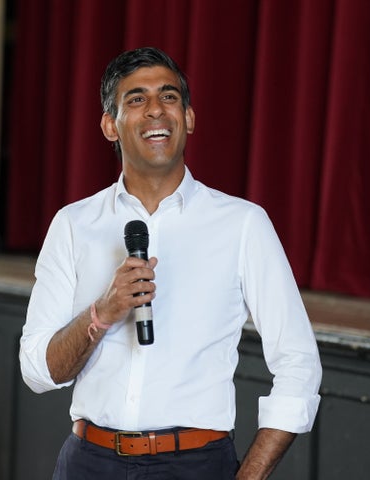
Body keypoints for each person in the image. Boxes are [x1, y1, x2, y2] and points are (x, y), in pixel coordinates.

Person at [19, 47, 322, 479]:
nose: (156, 110)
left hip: (196, 464)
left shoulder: (242, 224)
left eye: (169, 96)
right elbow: (37, 371)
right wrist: (102, 313)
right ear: (110, 125)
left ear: (190, 118)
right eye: (136, 99)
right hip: (90, 462)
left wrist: (250, 474)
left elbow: (298, 362)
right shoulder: (73, 225)